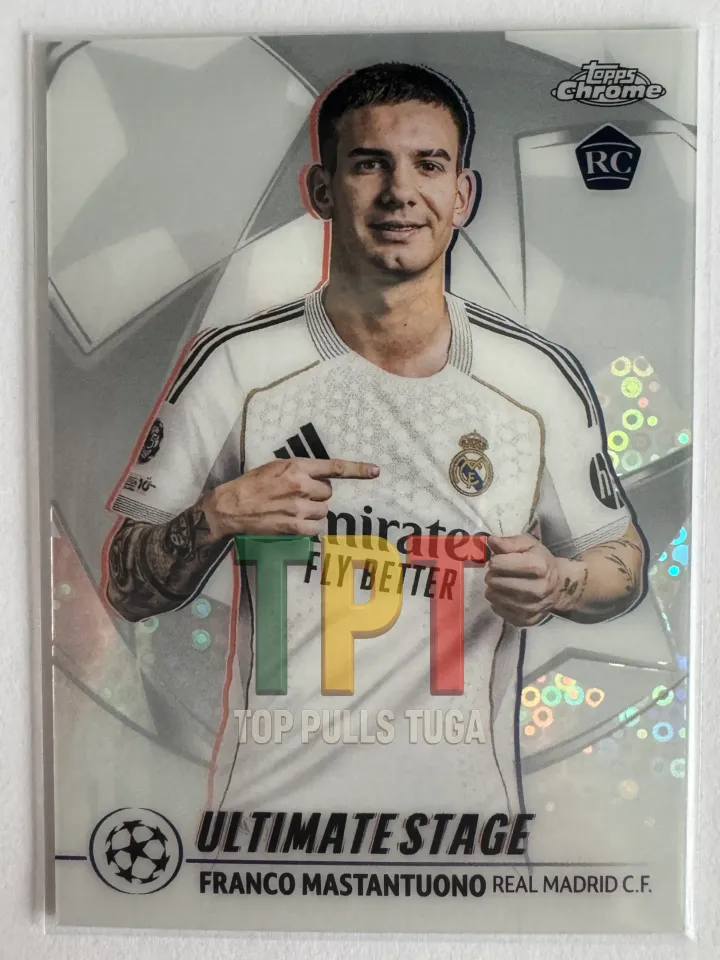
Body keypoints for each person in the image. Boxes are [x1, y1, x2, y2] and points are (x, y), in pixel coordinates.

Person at [104, 63, 646, 819]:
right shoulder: (238, 367)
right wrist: (217, 515)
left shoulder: (537, 381)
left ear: (463, 195)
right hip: (271, 831)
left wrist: (562, 581)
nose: (400, 192)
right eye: (369, 164)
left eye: (429, 165)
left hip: (464, 832)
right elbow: (126, 586)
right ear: (321, 191)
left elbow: (621, 560)